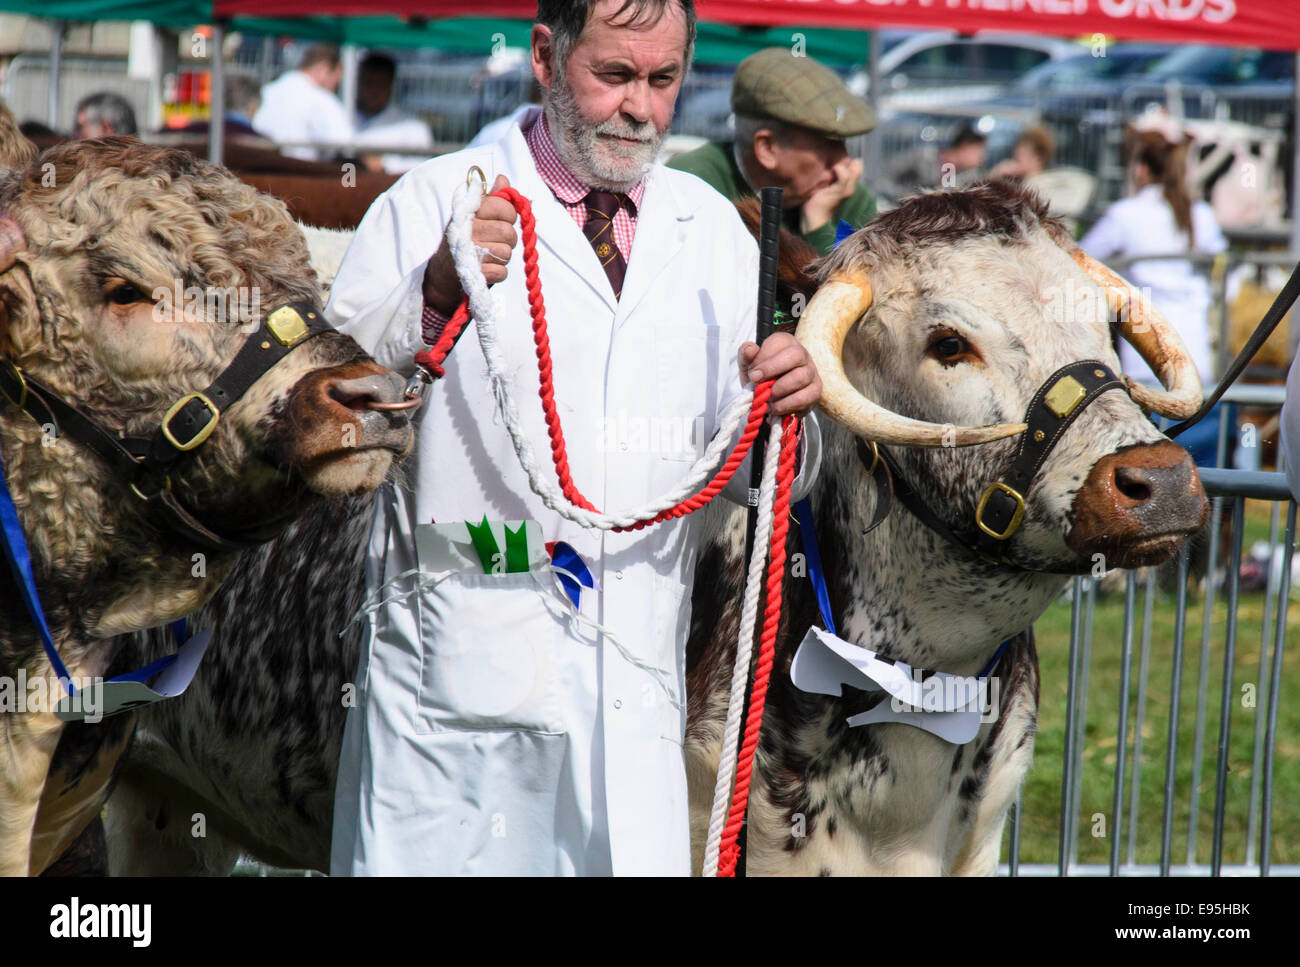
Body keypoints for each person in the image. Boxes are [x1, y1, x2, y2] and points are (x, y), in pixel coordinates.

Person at [326, 0, 822, 876]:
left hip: (636, 697)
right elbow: (331, 424)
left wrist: (790, 409)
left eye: (663, 81)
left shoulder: (710, 231)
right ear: (548, 58)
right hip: (453, 700)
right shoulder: (433, 202)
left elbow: (764, 476)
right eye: (616, 75)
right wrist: (433, 296)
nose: (640, 108)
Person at [1080, 126, 1228, 466]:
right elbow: (1226, 270)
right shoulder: (1200, 214)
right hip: (1197, 359)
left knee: (1150, 469)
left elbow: (1080, 260)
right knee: (1204, 476)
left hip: (1147, 359)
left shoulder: (1126, 214)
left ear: (1141, 170)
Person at [667, 47, 876, 256]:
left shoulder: (846, 196)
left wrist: (818, 225)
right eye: (827, 145)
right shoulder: (689, 186)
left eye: (843, 143)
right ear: (767, 148)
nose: (845, 161)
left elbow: (853, 287)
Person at [252, 43, 353, 161]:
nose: (335, 86)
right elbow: (347, 144)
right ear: (324, 69)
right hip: (299, 172)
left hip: (259, 166)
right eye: (336, 79)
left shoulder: (269, 90)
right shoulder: (321, 98)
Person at [351, 52, 434, 174]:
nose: (373, 91)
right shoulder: (341, 116)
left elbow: (422, 167)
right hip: (346, 184)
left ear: (390, 85)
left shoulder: (414, 128)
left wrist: (385, 165)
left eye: (380, 85)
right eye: (368, 83)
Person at [881, 122, 986, 201]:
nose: (980, 159)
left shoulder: (972, 175)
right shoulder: (923, 155)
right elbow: (886, 174)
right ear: (964, 148)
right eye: (977, 153)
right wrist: (904, 197)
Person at [990, 124, 1054, 182]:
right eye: (1016, 155)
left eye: (1022, 154)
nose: (1016, 160)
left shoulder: (1036, 186)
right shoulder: (1021, 182)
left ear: (1039, 159)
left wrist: (997, 174)